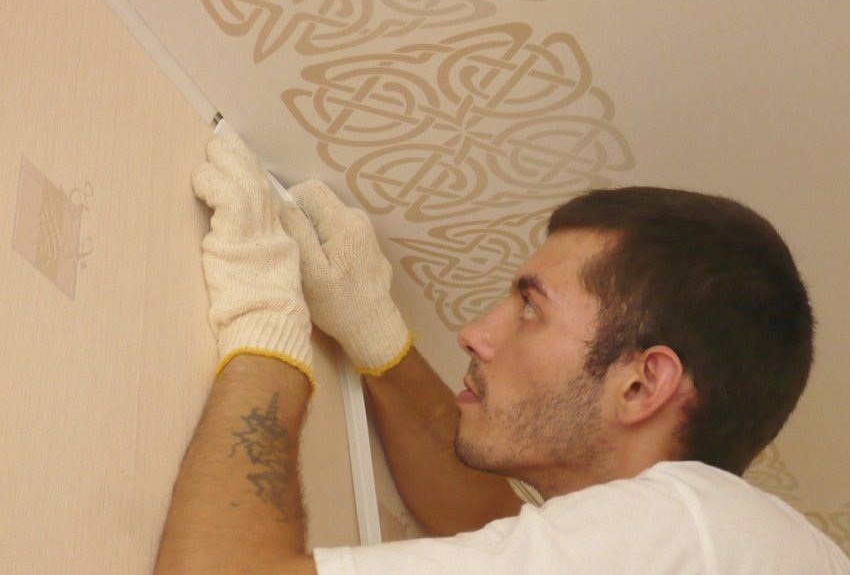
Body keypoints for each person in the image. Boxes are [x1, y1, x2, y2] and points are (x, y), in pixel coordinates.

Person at [153, 135, 850, 574]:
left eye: (530, 308)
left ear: (642, 385)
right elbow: (492, 526)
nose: (475, 334)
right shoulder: (720, 542)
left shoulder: (685, 529)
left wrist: (265, 324)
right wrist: (376, 338)